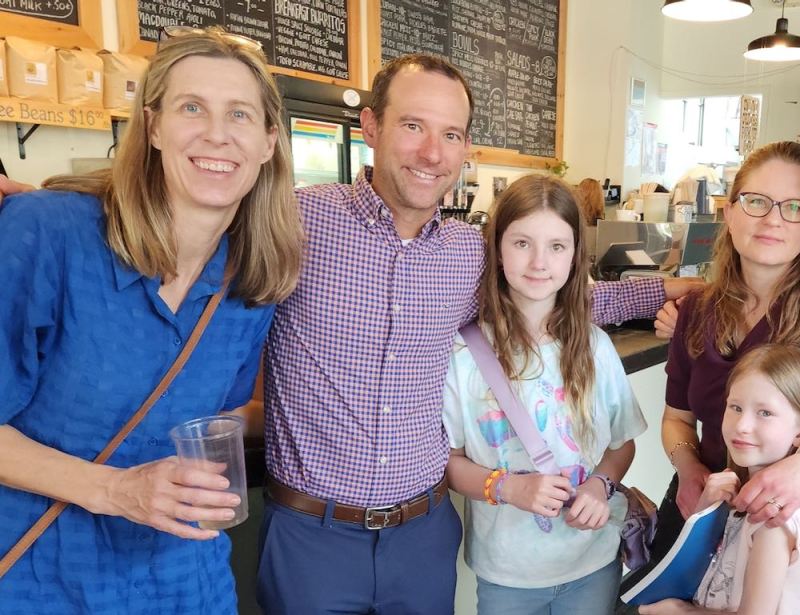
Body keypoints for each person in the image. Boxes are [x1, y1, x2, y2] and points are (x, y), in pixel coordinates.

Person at [254, 54, 692, 614]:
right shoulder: (293, 222)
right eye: (413, 125)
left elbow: (557, 295)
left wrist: (679, 290)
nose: (432, 153)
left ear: (465, 148)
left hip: (422, 534)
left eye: (451, 134)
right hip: (311, 533)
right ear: (371, 126)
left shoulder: (466, 251)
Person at [0, 28, 303, 614]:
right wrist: (116, 489)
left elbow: (220, 415)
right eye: (192, 108)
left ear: (269, 142)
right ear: (154, 125)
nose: (217, 133)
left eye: (239, 114)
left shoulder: (252, 281)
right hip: (44, 582)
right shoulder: (46, 233)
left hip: (186, 582)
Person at [632, 142, 800, 595]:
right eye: (757, 201)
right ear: (730, 211)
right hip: (699, 505)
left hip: (775, 524)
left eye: (793, 207)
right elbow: (677, 420)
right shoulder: (695, 311)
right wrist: (689, 468)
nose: (773, 220)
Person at [443, 174, 646, 614]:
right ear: (497, 249)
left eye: (557, 246)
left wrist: (600, 484)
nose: (539, 262)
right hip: (507, 573)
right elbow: (449, 462)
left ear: (575, 256)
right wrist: (507, 487)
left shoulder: (595, 347)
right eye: (522, 243)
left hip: (593, 560)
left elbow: (622, 444)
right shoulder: (463, 354)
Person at [640, 344, 800, 615]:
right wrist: (705, 512)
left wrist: (679, 611)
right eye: (735, 407)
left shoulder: (774, 516)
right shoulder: (742, 494)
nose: (742, 425)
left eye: (765, 413)